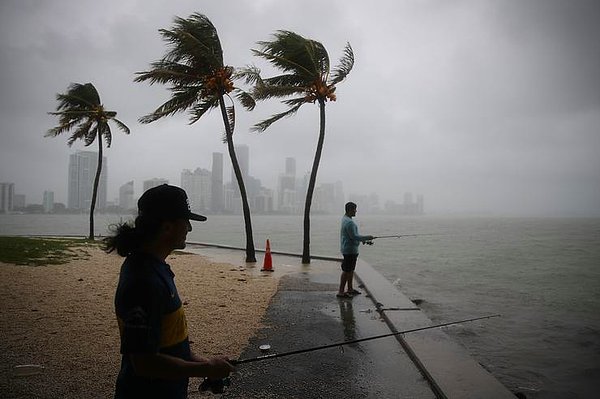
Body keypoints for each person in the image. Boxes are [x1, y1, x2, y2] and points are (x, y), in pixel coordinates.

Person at [104, 184, 234, 399]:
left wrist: (207, 364)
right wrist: (206, 370)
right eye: (186, 221)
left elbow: (170, 345)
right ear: (167, 227)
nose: (190, 228)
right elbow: (145, 363)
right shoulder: (143, 282)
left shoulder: (153, 268)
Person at [338, 202, 373, 298]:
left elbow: (351, 237)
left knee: (350, 270)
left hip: (349, 248)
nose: (356, 211)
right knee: (346, 271)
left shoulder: (345, 219)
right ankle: (341, 292)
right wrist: (367, 237)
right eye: (354, 209)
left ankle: (350, 289)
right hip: (349, 250)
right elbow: (354, 236)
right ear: (350, 210)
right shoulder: (349, 222)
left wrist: (363, 241)